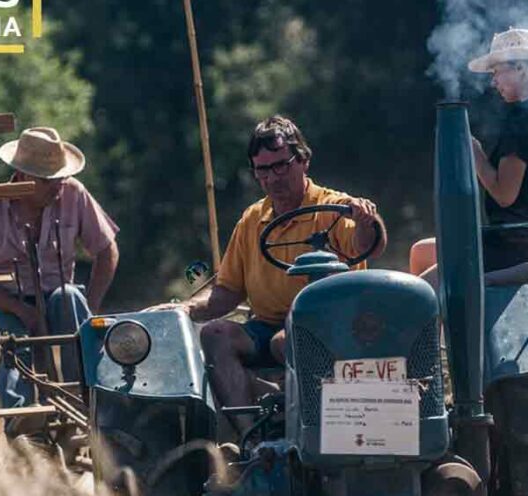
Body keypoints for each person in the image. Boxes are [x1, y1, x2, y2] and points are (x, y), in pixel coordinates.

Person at [155, 115, 387, 431]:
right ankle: (250, 437)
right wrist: (185, 308)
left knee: (285, 341)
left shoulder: (334, 208)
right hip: (266, 328)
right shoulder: (252, 220)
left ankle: (307, 433)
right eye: (262, 170)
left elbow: (368, 245)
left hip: (332, 325)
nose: (272, 178)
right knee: (215, 334)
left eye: (280, 165)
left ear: (303, 160)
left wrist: (364, 222)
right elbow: (226, 292)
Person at [0, 127, 119, 409]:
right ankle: (23, 421)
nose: (57, 186)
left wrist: (90, 309)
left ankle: (87, 402)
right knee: (7, 339)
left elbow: (107, 251)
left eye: (60, 177)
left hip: (56, 295)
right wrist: (21, 310)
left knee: (71, 302)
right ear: (22, 176)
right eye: (47, 181)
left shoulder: (72, 194)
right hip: (4, 303)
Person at [410, 28, 528, 282]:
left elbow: (505, 196)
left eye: (497, 72)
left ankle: (440, 320)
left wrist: (474, 153)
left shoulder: (522, 119)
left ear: (522, 69)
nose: (493, 81)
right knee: (421, 252)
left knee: (418, 293)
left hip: (511, 250)